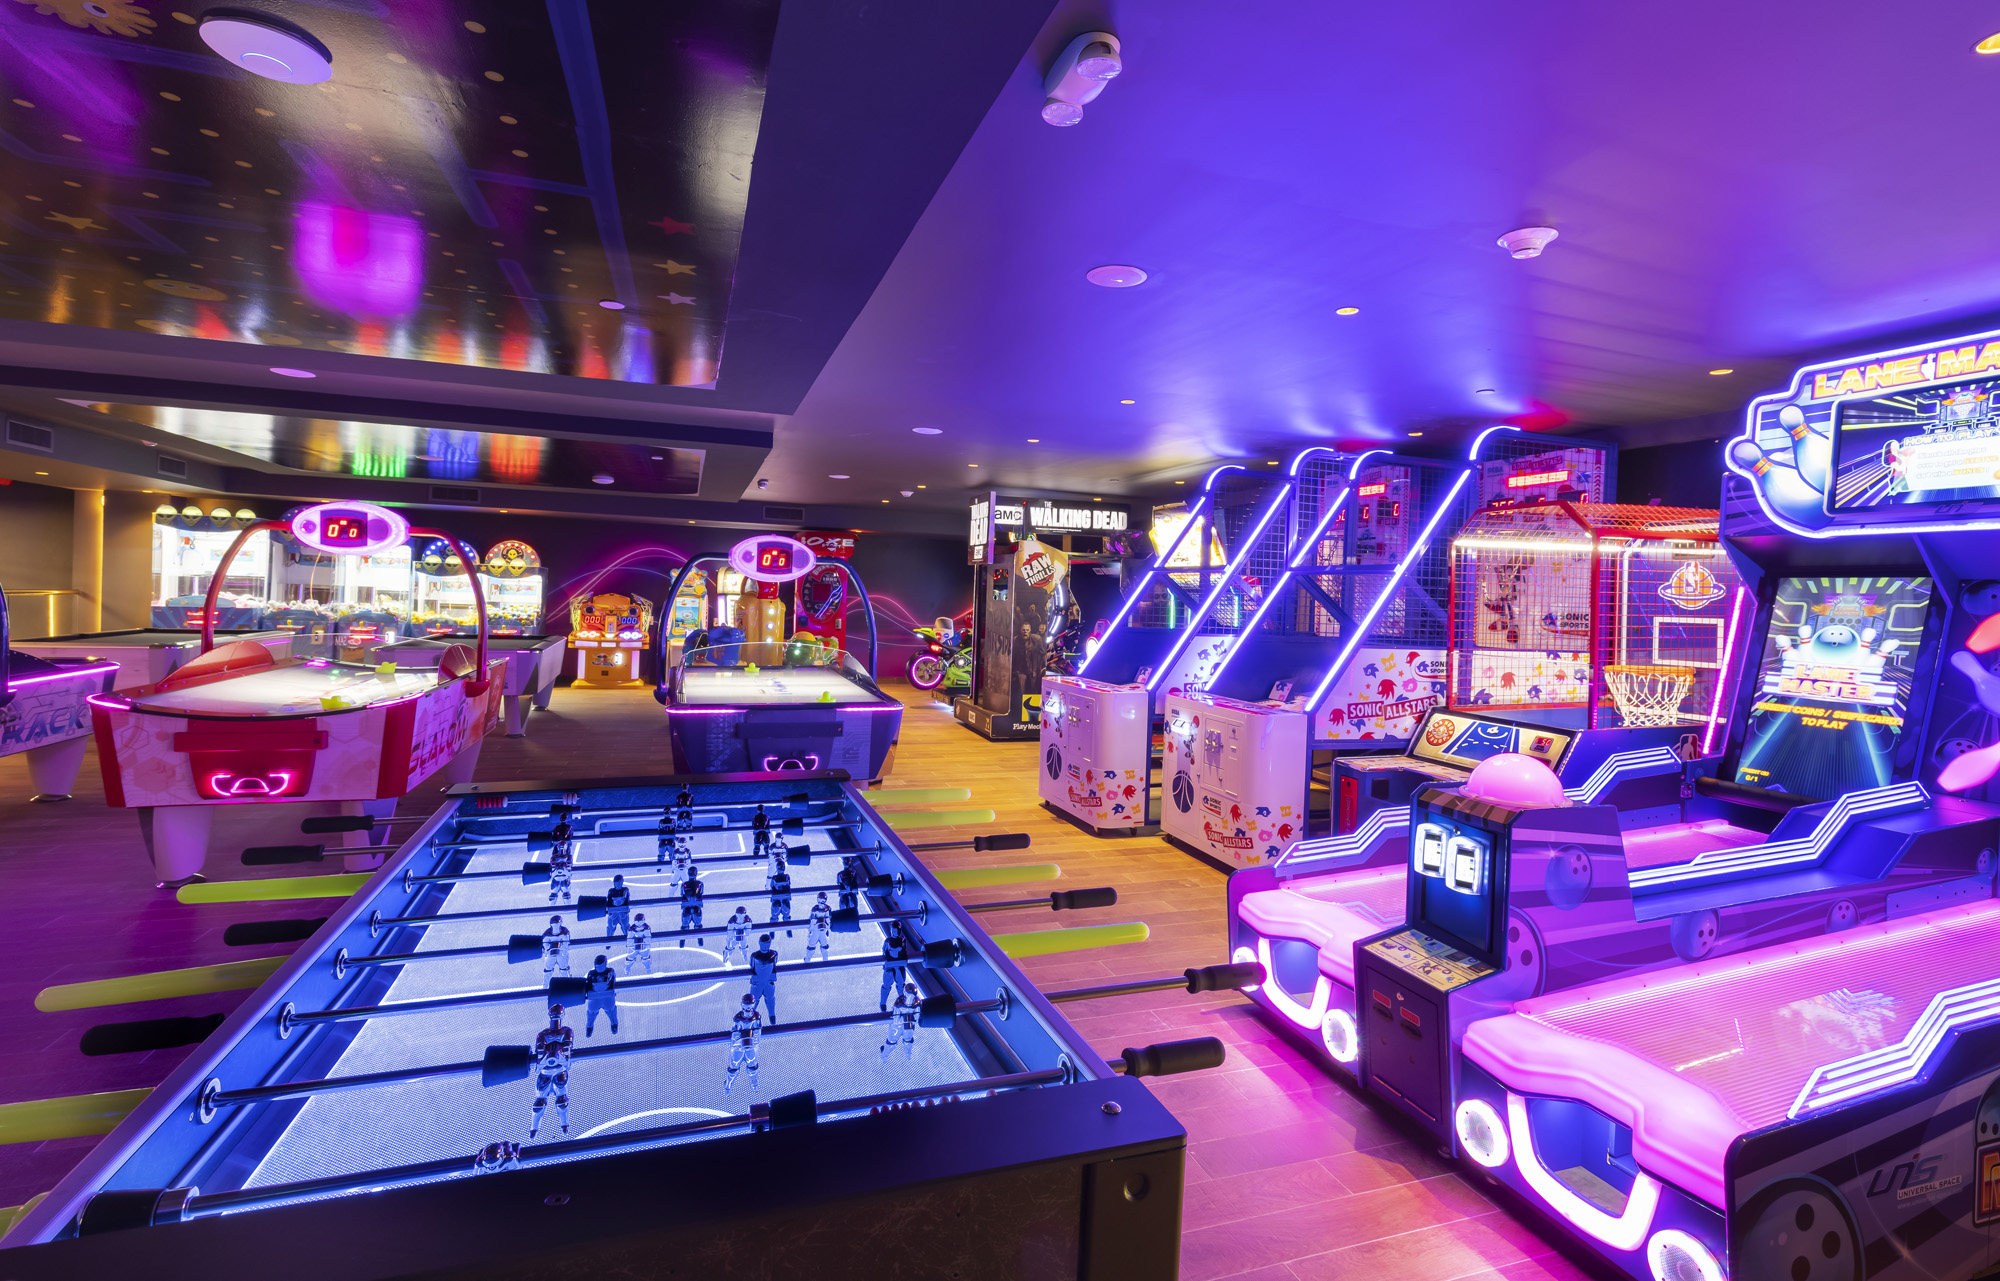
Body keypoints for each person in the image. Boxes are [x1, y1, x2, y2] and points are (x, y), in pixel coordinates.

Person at [530, 1003, 573, 1138]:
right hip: (549, 1071)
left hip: (556, 1070)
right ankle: (534, 1128)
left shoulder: (564, 1032)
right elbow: (540, 1052)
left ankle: (564, 1125)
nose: (556, 1018)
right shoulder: (544, 1034)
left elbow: (567, 1049)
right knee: (540, 1103)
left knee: (562, 1102)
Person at [724, 992, 761, 1095]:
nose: (748, 1009)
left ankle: (754, 1083)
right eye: (746, 1006)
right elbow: (734, 1033)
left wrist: (753, 1038)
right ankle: (729, 1084)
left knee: (752, 1066)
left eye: (750, 1006)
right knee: (734, 1066)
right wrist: (739, 1038)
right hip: (738, 1046)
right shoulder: (738, 1018)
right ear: (742, 1005)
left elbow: (758, 1033)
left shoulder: (756, 1017)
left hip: (751, 1045)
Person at [880, 981, 920, 1062]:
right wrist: (908, 1018)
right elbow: (896, 1019)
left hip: (907, 1025)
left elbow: (917, 1017)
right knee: (892, 1042)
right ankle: (884, 1056)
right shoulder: (900, 1001)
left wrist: (909, 1019)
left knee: (907, 1041)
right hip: (899, 1026)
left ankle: (908, 1055)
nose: (909, 997)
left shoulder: (917, 1002)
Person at [582, 954, 619, 1037]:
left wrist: (613, 991)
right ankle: (589, 1026)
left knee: (611, 1011)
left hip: (607, 995)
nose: (599, 968)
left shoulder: (610, 971)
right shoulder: (591, 974)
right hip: (595, 997)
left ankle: (614, 1023)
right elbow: (588, 985)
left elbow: (613, 981)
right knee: (592, 1013)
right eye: (598, 966)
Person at [748, 932, 779, 1023]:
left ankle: (772, 1015)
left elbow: (751, 965)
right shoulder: (755, 955)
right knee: (754, 1000)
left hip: (766, 981)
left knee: (770, 999)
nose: (765, 946)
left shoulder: (772, 954)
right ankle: (750, 1017)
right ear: (760, 943)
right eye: (764, 944)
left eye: (767, 944)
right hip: (759, 982)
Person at [879, 926, 910, 1012]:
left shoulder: (902, 940)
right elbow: (883, 952)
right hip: (890, 966)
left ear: (899, 930)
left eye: (896, 930)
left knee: (901, 985)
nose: (895, 932)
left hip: (899, 966)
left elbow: (904, 952)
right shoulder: (887, 941)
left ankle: (903, 1003)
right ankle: (883, 1004)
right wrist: (885, 965)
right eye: (893, 930)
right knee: (886, 985)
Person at [768, 855, 793, 937]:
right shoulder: (786, 877)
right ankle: (774, 930)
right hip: (781, 897)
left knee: (781, 914)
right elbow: (788, 885)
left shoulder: (775, 877)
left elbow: (771, 886)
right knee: (780, 914)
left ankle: (783, 929)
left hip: (779, 897)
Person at [679, 866, 704, 946]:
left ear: (688, 873)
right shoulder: (700, 884)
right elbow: (701, 894)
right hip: (697, 907)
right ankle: (699, 939)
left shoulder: (684, 884)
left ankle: (682, 940)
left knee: (685, 925)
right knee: (698, 925)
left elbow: (682, 894)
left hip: (687, 907)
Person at [804, 890, 832, 961]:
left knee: (824, 945)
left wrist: (827, 927)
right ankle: (808, 959)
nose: (822, 901)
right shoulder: (815, 909)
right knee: (812, 944)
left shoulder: (827, 909)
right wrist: (811, 929)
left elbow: (828, 919)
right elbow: (812, 919)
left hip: (822, 929)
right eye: (820, 899)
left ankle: (825, 959)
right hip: (817, 929)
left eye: (823, 900)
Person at [603, 874, 631, 938]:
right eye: (616, 883)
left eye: (619, 882)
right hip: (613, 912)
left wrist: (626, 911)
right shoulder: (611, 891)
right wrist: (610, 912)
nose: (618, 884)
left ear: (622, 882)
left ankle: (628, 941)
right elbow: (608, 901)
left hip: (623, 912)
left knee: (625, 927)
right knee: (611, 928)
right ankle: (609, 941)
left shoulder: (625, 890)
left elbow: (627, 900)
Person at [548, 838, 574, 905]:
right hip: (562, 877)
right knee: (563, 894)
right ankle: (567, 908)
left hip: (559, 877)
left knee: (560, 894)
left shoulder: (555, 857)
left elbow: (569, 866)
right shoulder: (566, 856)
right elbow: (569, 867)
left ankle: (551, 908)